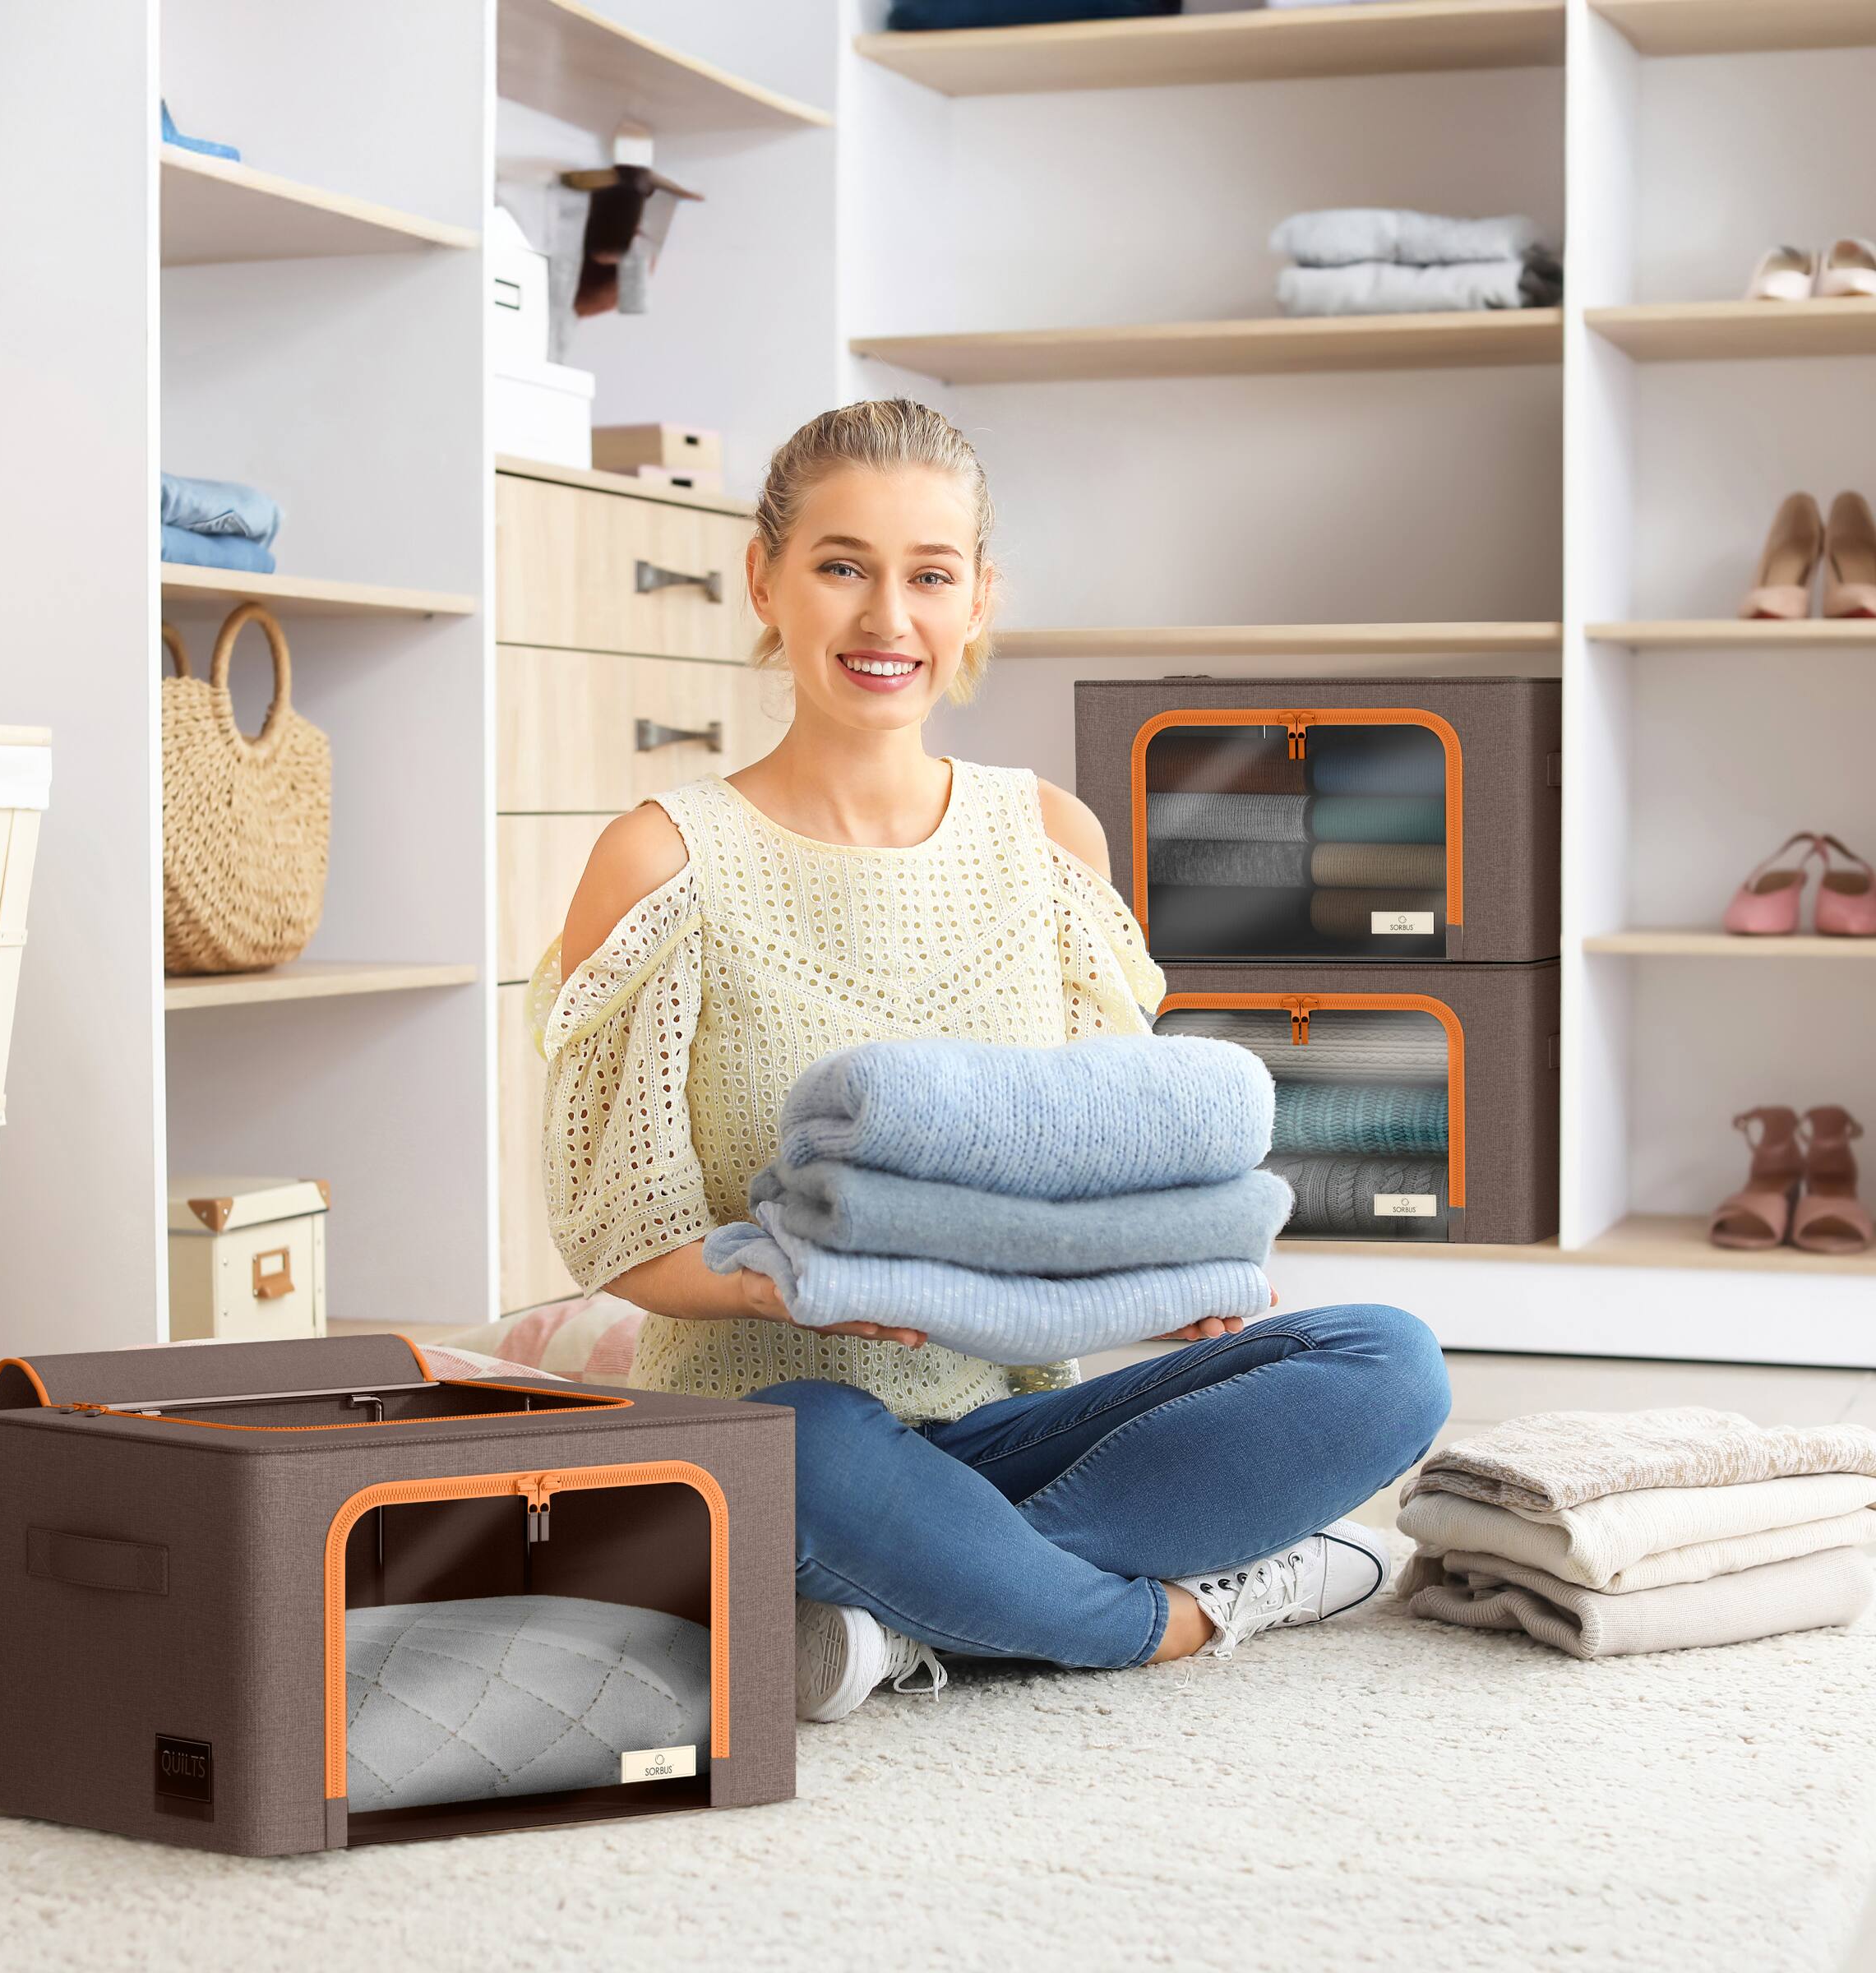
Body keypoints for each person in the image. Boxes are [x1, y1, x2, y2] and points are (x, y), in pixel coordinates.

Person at [528, 399, 1451, 1724]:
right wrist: (797, 1293)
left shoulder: (1049, 844)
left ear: (978, 600)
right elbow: (618, 1234)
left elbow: (1121, 1169)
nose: (886, 617)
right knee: (813, 1448)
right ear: (765, 581)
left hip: (1013, 1430)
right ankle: (1171, 1615)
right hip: (789, 1434)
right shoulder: (663, 861)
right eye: (842, 566)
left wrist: (1164, 1275)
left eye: (929, 575)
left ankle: (914, 1616)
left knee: (1389, 1361)